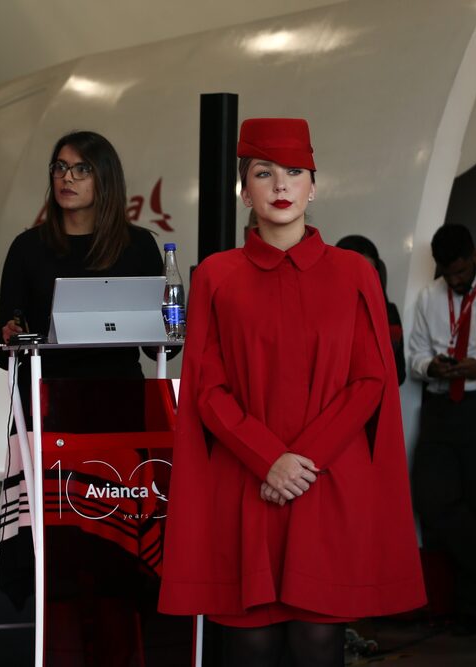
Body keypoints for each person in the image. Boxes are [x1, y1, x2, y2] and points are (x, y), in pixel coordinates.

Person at [159, 118, 425, 666]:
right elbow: (208, 385)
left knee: (317, 636)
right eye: (264, 173)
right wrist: (268, 459)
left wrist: (300, 461)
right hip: (246, 480)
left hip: (323, 482)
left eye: (294, 173)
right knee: (250, 639)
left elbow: (370, 379)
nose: (280, 186)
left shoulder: (354, 273)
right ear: (244, 189)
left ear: (313, 185)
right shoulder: (216, 275)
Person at [0, 130, 165, 664]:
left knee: (118, 552)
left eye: (80, 169)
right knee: (61, 558)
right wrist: (12, 333)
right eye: (60, 168)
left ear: (104, 179)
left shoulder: (139, 246)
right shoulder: (28, 247)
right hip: (50, 409)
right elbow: (2, 345)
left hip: (119, 411)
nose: (65, 178)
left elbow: (158, 337)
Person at [409, 223, 476, 635]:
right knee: (432, 498)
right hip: (440, 405)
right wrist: (430, 366)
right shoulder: (428, 297)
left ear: (474, 256)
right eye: (448, 273)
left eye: (461, 272)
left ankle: (474, 613)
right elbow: (417, 353)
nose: (455, 281)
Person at [335, 234, 406, 384]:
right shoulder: (322, 314)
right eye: (356, 273)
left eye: (370, 273)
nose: (364, 281)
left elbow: (399, 374)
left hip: (378, 400)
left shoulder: (389, 312)